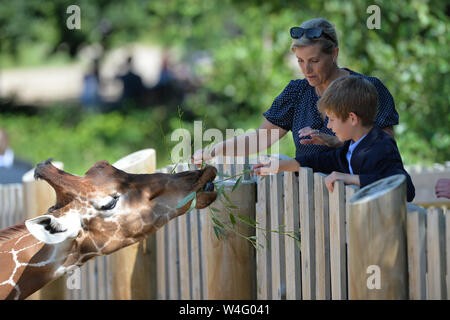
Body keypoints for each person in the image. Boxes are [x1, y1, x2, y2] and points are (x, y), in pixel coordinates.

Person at [192, 18, 398, 165]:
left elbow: (385, 147)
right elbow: (260, 138)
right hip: (308, 199)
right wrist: (214, 151)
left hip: (359, 194)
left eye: (314, 61)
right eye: (300, 61)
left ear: (334, 53)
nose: (306, 70)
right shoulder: (297, 92)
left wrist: (335, 142)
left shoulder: (367, 89)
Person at [252, 76, 415, 202]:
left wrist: (350, 179)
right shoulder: (352, 146)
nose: (328, 126)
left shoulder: (381, 145)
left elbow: (406, 187)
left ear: (352, 118)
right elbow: (320, 161)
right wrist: (282, 165)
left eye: (331, 119)